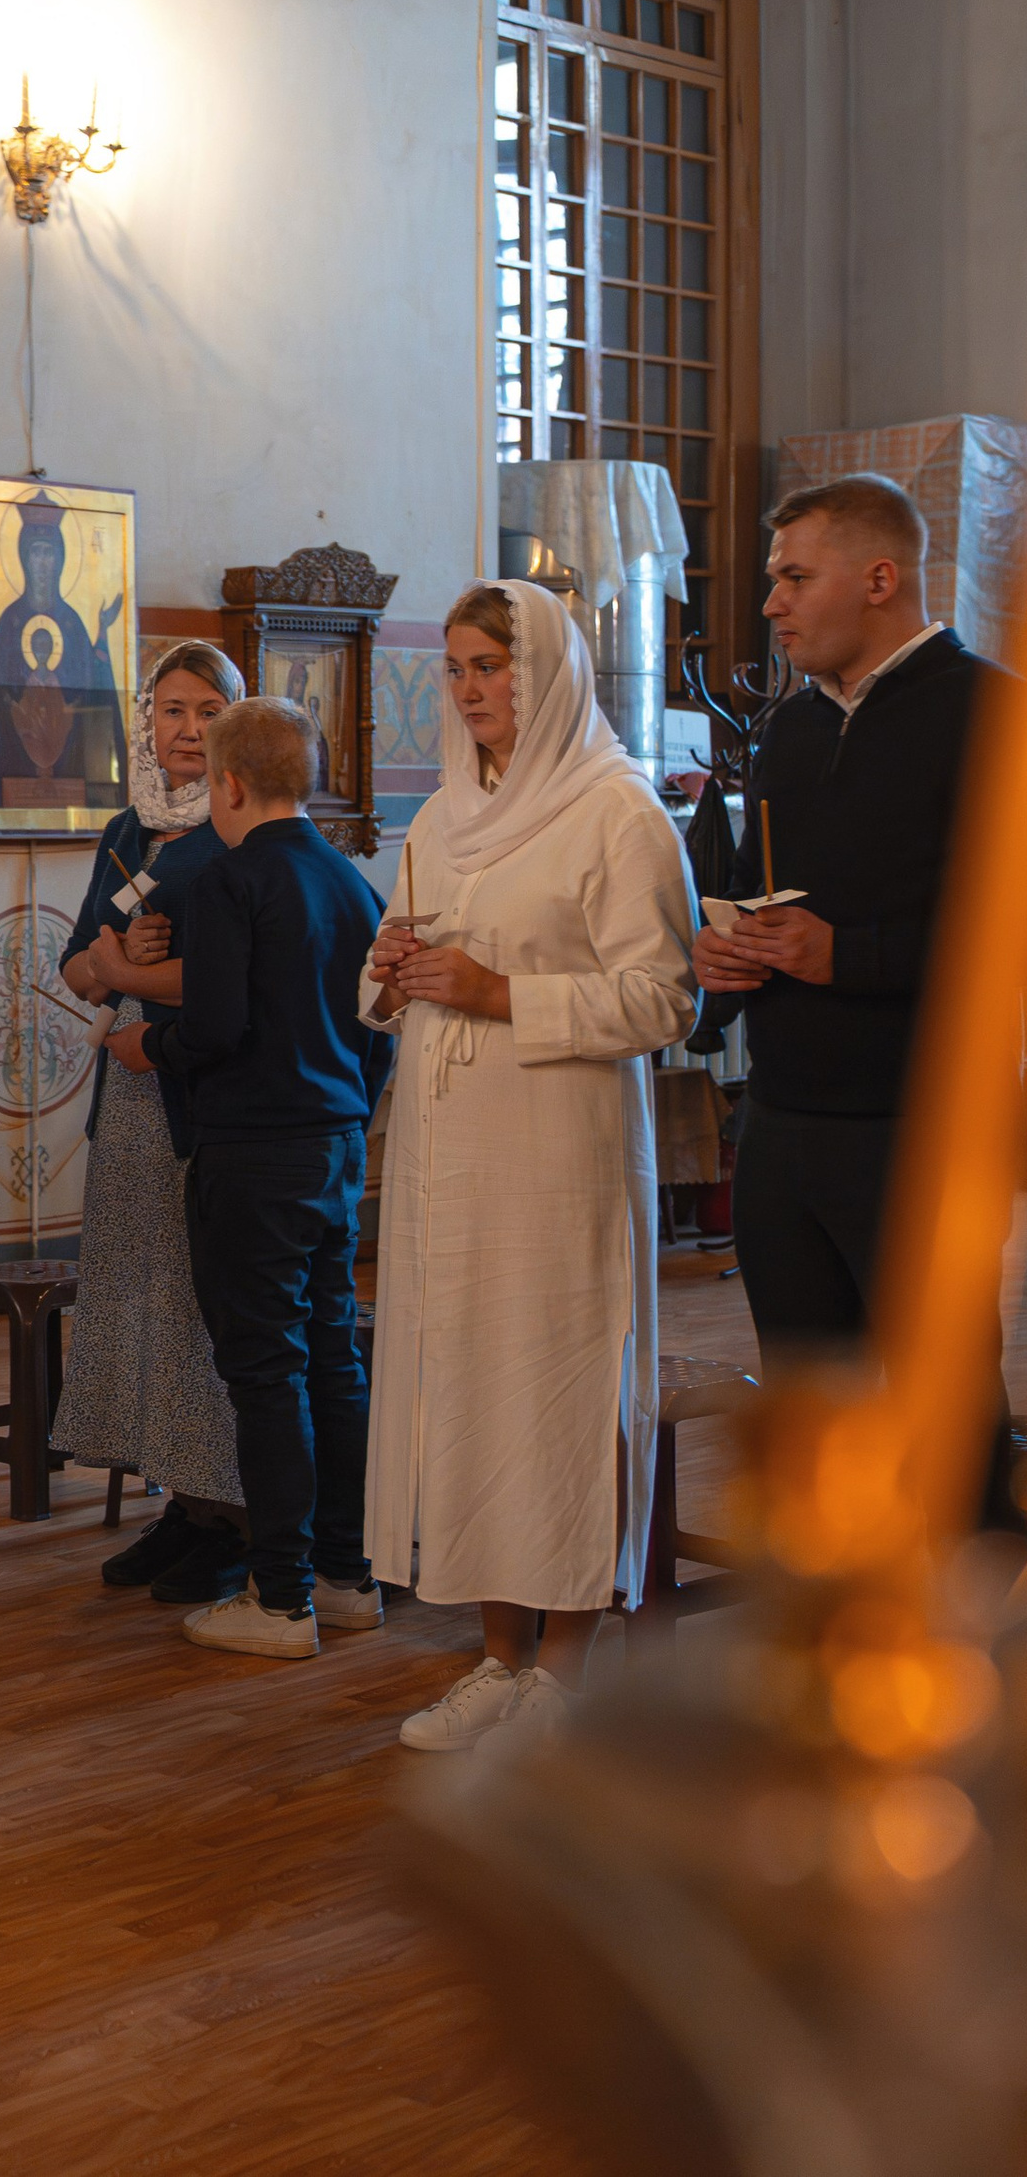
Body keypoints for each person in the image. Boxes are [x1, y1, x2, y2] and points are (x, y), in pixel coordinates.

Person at [365, 581, 697, 1751]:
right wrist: (393, 962)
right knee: (466, 1388)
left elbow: (665, 997)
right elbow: (390, 964)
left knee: (553, 1389)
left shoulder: (617, 811)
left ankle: (566, 1667)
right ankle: (496, 1656)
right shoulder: (442, 815)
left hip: (558, 1144)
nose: (468, 692)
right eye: (455, 669)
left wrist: (500, 992)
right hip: (449, 1147)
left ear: (546, 671)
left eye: (490, 668)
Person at [691, 475, 985, 1356]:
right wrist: (723, 949)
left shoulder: (991, 713)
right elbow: (753, 885)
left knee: (942, 1414)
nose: (773, 605)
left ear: (879, 580)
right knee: (807, 1405)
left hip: (918, 1123)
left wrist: (847, 957)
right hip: (779, 1118)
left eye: (796, 579)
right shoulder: (790, 730)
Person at [139, 698, 391, 1664]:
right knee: (333, 1356)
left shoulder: (232, 881)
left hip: (252, 1153)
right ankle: (346, 1575)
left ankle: (281, 1597)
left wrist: (147, 1043)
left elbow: (216, 1029)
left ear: (226, 782)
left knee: (266, 1373)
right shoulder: (350, 880)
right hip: (335, 1145)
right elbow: (379, 1030)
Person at [53, 641, 251, 1605]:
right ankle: (178, 1502)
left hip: (197, 1091)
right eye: (172, 710)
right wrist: (113, 960)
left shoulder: (240, 829)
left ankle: (230, 1513)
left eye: (209, 710)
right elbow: (73, 966)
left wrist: (126, 971)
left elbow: (233, 981)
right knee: (140, 1301)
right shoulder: (126, 832)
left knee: (194, 1308)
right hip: (125, 1093)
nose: (187, 729)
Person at [0, 496, 128, 810]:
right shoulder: (9, 620)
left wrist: (102, 635)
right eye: (36, 552)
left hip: (71, 758)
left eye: (49, 553)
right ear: (24, 558)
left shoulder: (73, 623)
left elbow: (95, 696)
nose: (43, 562)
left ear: (61, 559)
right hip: (13, 756)